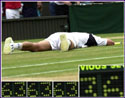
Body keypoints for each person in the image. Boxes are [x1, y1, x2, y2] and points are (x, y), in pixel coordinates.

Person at [3, 32, 115, 54]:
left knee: (36, 47)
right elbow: (109, 42)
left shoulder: (87, 36)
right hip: (69, 38)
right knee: (72, 44)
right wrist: (113, 43)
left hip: (55, 35)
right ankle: (65, 42)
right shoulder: (91, 37)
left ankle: (14, 45)